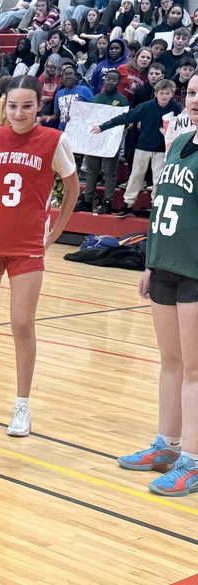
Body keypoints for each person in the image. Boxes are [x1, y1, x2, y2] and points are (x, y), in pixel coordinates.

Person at [0, 74, 81, 437]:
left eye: (27, 105)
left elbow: (73, 188)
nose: (19, 112)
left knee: (22, 325)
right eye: (12, 105)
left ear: (39, 105)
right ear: (4, 105)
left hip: (28, 245)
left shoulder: (54, 141)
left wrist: (56, 231)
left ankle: (22, 405)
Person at [116, 74, 198, 495]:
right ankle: (167, 445)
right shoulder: (181, 144)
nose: (195, 100)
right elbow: (164, 205)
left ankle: (194, 462)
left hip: (195, 271)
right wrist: (150, 260)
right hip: (165, 264)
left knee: (195, 371)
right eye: (192, 92)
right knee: (170, 363)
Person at [92, 79, 181, 216]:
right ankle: (128, 205)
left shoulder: (177, 109)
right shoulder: (146, 107)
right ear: (156, 93)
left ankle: (156, 207)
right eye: (162, 93)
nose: (164, 96)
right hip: (143, 147)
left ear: (172, 94)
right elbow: (126, 117)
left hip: (163, 149)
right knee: (135, 176)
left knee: (159, 179)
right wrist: (103, 126)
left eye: (167, 93)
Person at [78, 69, 130, 213]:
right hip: (95, 140)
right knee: (92, 170)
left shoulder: (122, 100)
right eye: (108, 79)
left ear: (119, 82)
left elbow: (124, 120)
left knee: (109, 172)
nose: (110, 82)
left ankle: (108, 202)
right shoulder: (97, 98)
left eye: (114, 79)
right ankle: (88, 200)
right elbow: (89, 119)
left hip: (110, 142)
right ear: (104, 80)